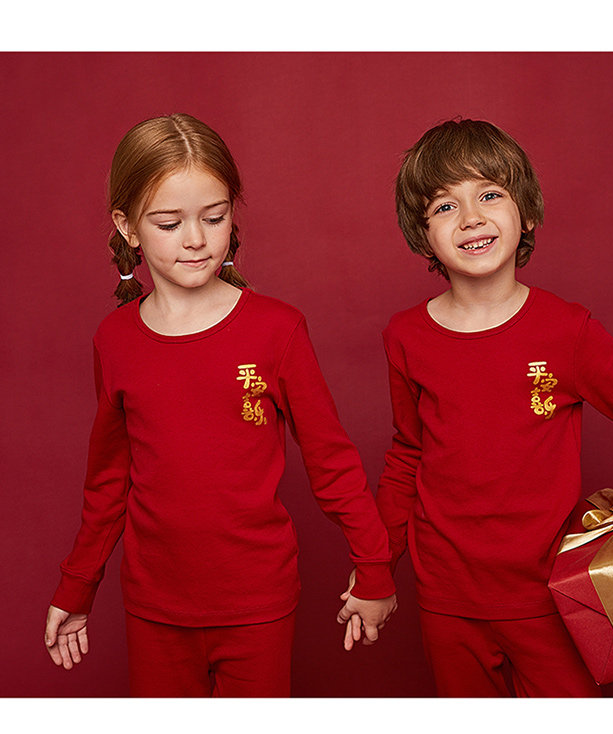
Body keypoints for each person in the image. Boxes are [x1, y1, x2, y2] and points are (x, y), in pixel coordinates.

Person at [367, 118, 613, 696]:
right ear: (423, 236)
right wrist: (375, 572)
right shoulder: (405, 337)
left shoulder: (568, 332)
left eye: (489, 195)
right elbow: (407, 455)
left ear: (525, 212)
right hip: (447, 598)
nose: (470, 218)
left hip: (553, 593)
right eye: (445, 206)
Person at [44, 113, 396, 697]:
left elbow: (331, 460)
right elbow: (108, 481)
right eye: (169, 223)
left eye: (214, 217)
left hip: (258, 602)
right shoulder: (115, 339)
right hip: (155, 606)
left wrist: (375, 568)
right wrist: (77, 586)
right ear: (128, 227)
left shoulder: (277, 329)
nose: (196, 239)